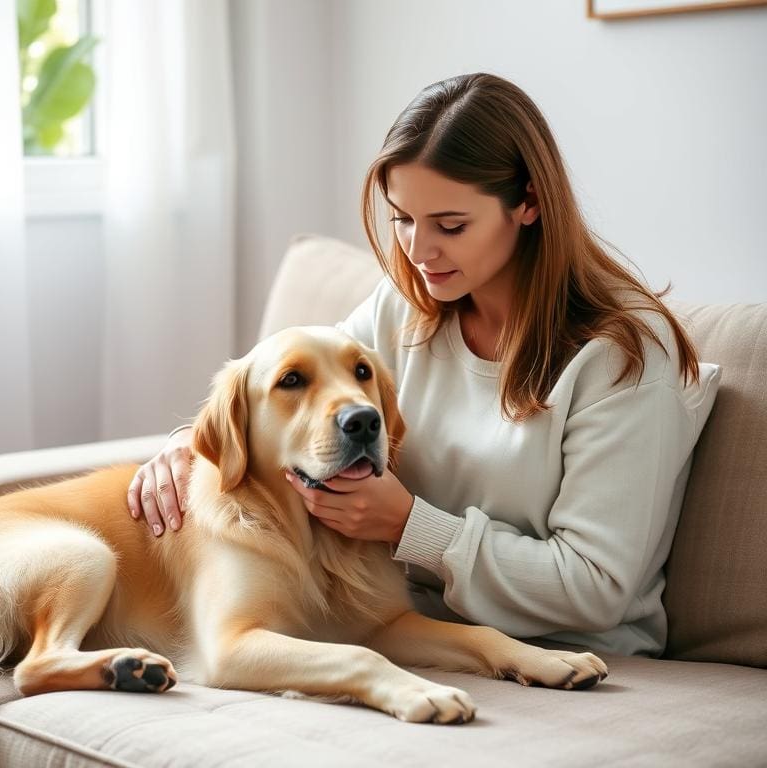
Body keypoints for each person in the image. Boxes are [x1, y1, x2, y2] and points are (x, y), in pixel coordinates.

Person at [126, 73, 719, 657]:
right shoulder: (407, 305)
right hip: (412, 632)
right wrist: (190, 443)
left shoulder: (622, 357)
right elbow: (288, 389)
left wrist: (410, 526)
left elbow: (594, 589)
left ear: (530, 203)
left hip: (573, 654)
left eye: (451, 225)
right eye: (403, 219)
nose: (418, 251)